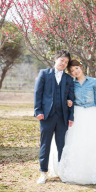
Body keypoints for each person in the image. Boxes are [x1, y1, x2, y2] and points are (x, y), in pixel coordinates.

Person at [34, 50, 74, 184]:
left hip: (62, 117)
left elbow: (71, 98)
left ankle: (62, 172)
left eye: (66, 62)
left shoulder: (68, 78)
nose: (64, 63)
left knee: (61, 145)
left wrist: (71, 116)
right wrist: (37, 110)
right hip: (46, 116)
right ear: (56, 59)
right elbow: (37, 93)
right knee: (45, 144)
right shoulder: (44, 74)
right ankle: (43, 173)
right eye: (62, 60)